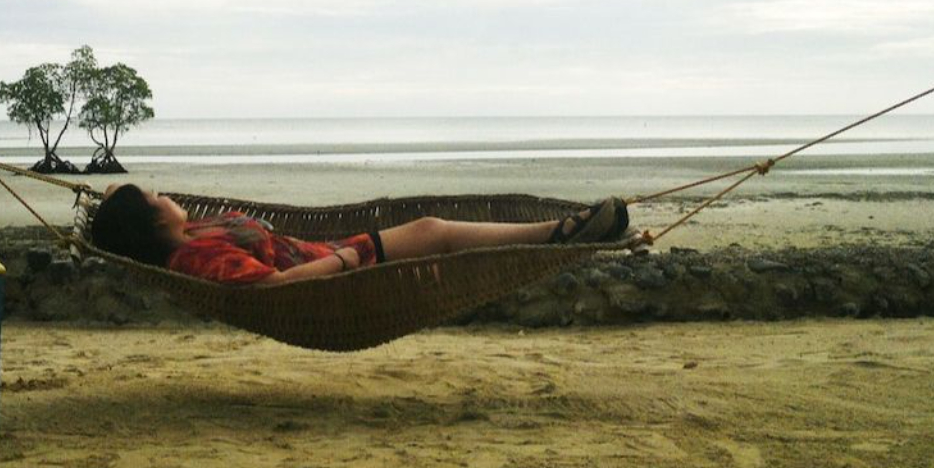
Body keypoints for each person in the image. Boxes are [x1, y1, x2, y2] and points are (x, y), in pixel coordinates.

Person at [91, 184, 638, 286]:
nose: (164, 193)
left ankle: (574, 235)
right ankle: (564, 233)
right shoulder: (195, 258)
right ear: (153, 220)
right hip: (343, 269)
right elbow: (276, 290)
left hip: (338, 252)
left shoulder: (197, 234)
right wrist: (353, 259)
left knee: (436, 231)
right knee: (434, 231)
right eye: (152, 195)